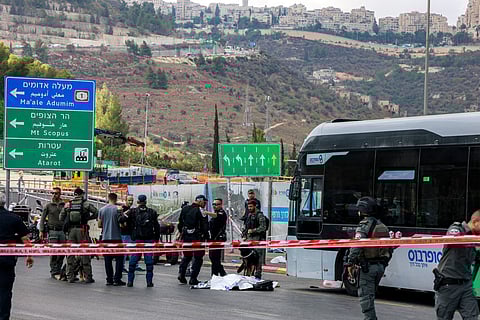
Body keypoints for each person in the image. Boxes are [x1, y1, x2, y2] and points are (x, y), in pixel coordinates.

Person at [347, 196, 391, 320]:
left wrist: (350, 263)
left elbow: (357, 245)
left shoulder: (364, 225)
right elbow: (389, 248)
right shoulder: (382, 225)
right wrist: (384, 263)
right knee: (370, 296)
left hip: (367, 267)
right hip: (379, 266)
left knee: (366, 299)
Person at [433, 210, 480, 320]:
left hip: (466, 285)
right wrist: (473, 241)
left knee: (472, 316)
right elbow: (453, 238)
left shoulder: (474, 237)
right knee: (444, 317)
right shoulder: (457, 229)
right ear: (476, 222)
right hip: (449, 284)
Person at [0, 192, 34, 320]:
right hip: (7, 260)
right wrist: (29, 256)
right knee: (5, 291)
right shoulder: (14, 218)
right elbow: (25, 239)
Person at [60, 187, 98, 284]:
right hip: (82, 230)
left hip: (71, 231)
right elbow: (96, 212)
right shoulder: (85, 203)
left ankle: (70, 276)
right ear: (82, 194)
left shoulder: (69, 204)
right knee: (85, 253)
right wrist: (89, 218)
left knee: (70, 254)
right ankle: (88, 277)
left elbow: (61, 217)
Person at [124, 195, 160, 288]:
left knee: (133, 261)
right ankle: (149, 282)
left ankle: (130, 282)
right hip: (149, 240)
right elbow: (157, 227)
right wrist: (156, 239)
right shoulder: (152, 212)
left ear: (138, 202)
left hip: (137, 240)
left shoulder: (132, 211)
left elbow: (121, 218)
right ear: (146, 202)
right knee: (149, 262)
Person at [178, 195, 209, 285]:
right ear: (200, 201)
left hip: (186, 236)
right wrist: (206, 237)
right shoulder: (201, 210)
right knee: (198, 257)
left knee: (187, 256)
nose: (205, 205)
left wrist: (182, 233)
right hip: (197, 237)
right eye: (204, 202)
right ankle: (193, 278)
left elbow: (180, 223)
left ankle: (181, 274)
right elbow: (204, 225)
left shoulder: (185, 209)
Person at [98, 193, 126, 286]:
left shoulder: (102, 210)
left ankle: (109, 279)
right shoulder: (119, 209)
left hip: (105, 238)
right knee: (119, 259)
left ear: (108, 198)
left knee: (107, 260)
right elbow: (122, 225)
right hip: (117, 238)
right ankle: (117, 279)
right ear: (116, 199)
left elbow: (99, 225)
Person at [39, 187, 66, 280]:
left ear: (60, 194)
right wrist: (41, 230)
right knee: (53, 252)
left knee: (62, 252)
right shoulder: (48, 205)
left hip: (62, 231)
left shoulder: (64, 205)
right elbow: (42, 218)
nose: (54, 195)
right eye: (53, 193)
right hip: (52, 231)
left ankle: (58, 269)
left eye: (57, 193)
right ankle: (54, 271)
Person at [242, 199, 267, 279]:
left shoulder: (260, 215)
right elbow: (247, 227)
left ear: (255, 206)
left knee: (258, 258)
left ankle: (258, 274)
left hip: (258, 239)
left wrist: (253, 230)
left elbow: (263, 227)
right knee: (248, 256)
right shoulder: (249, 215)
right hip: (250, 239)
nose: (249, 208)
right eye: (248, 207)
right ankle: (248, 273)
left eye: (251, 206)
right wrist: (245, 234)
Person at [208, 198, 227, 277]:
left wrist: (206, 212)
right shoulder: (214, 214)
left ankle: (215, 275)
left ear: (221, 205)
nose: (215, 206)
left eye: (217, 204)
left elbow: (216, 216)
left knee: (215, 257)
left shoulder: (222, 213)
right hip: (213, 238)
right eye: (213, 204)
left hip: (218, 238)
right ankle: (221, 273)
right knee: (212, 257)